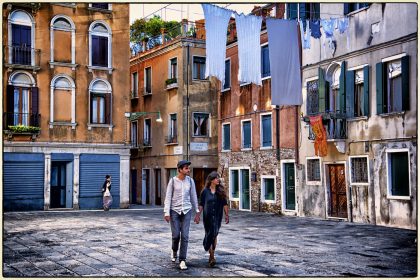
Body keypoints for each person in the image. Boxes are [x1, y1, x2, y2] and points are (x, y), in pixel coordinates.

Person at [163, 160, 201, 270]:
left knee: (185, 236)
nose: (188, 170)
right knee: (175, 236)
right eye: (186, 168)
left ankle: (183, 260)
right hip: (174, 211)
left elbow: (194, 196)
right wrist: (166, 212)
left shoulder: (191, 181)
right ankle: (174, 250)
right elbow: (168, 197)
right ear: (180, 169)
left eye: (188, 168)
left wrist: (197, 212)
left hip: (187, 210)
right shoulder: (173, 181)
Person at [198, 171, 229, 267]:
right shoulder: (204, 192)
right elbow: (201, 205)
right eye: (216, 178)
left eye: (218, 178)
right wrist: (198, 215)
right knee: (209, 234)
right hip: (207, 217)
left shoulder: (221, 192)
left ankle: (211, 254)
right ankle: (212, 256)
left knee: (214, 235)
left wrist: (227, 215)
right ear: (211, 180)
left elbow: (225, 204)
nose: (218, 179)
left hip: (217, 217)